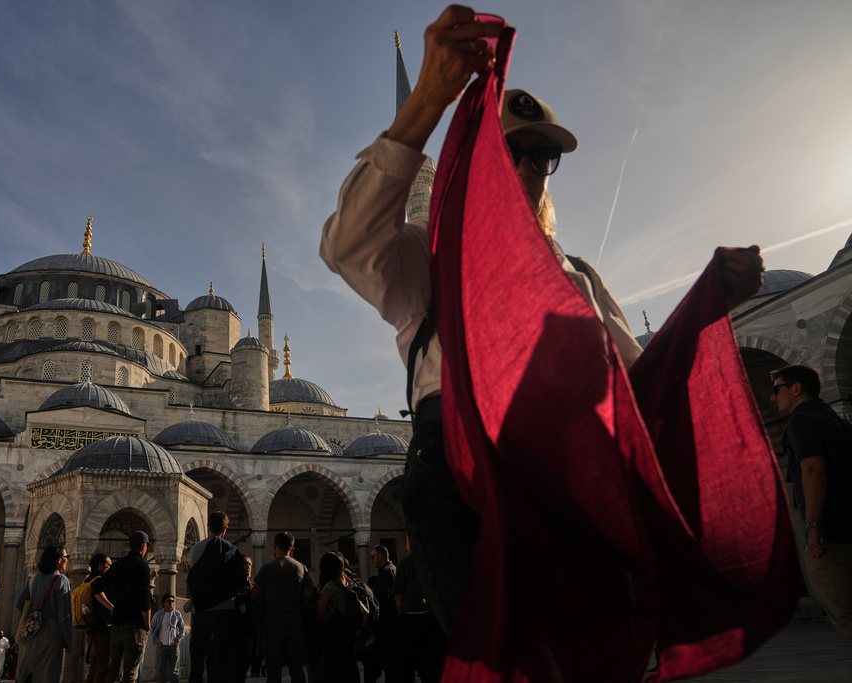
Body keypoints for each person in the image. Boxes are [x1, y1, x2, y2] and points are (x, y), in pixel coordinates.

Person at [320, 4, 764, 643]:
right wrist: (428, 101)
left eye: (542, 159)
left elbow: (637, 388)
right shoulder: (433, 257)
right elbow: (347, 245)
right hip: (465, 469)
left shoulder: (576, 273)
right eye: (514, 152)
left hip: (568, 473)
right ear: (476, 157)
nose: (530, 169)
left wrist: (702, 311)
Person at [771, 364, 852, 641]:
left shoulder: (801, 421)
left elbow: (813, 470)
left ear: (796, 388)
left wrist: (813, 527)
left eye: (776, 389)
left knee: (845, 612)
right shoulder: (832, 417)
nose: (772, 397)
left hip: (830, 537)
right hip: (847, 526)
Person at [186, 511, 243, 683]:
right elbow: (239, 582)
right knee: (222, 661)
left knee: (197, 662)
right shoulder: (232, 550)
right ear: (225, 528)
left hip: (200, 611)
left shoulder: (195, 550)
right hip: (224, 610)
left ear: (208, 525)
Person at [251, 532, 315, 683]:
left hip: (272, 625)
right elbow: (309, 594)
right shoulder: (301, 567)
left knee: (273, 672)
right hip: (294, 624)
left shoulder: (267, 568)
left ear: (274, 546)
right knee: (296, 669)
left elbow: (254, 595)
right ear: (292, 549)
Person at [92, 530, 153, 683]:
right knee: (130, 673)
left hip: (117, 625)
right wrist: (147, 624)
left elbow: (96, 588)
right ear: (144, 547)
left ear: (129, 545)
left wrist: (113, 608)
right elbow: (145, 599)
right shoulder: (142, 566)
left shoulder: (118, 565)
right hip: (135, 625)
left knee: (113, 672)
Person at [14, 545, 71, 683]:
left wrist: (33, 615)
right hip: (51, 633)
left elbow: (19, 603)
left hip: (32, 631)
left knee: (28, 671)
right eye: (66, 557)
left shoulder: (33, 579)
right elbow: (64, 615)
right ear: (58, 560)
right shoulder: (61, 580)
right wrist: (68, 639)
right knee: (48, 672)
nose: (67, 560)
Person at [391, 537, 443, 683]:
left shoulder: (406, 563)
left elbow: (398, 596)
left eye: (407, 541)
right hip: (429, 618)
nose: (405, 544)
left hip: (410, 619)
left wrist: (402, 615)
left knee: (407, 663)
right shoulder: (431, 562)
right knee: (429, 663)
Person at [315, 553, 358, 683]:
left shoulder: (330, 586)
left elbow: (320, 611)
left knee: (333, 667)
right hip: (349, 630)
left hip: (334, 632)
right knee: (348, 663)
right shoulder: (347, 580)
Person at [364, 545, 397, 682]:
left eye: (373, 557)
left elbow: (380, 600)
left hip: (384, 625)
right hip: (392, 623)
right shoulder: (393, 569)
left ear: (381, 556)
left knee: (379, 664)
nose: (371, 560)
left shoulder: (385, 572)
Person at [83, 553, 113, 683]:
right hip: (102, 629)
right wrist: (114, 609)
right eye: (108, 566)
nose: (110, 569)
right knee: (103, 667)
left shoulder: (87, 580)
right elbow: (99, 595)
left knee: (93, 667)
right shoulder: (100, 581)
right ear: (101, 566)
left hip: (91, 629)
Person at [149, 593, 184, 683]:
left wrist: (179, 640)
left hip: (173, 646)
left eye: (172, 601)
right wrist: (157, 641)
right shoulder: (158, 615)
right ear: (164, 603)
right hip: (162, 646)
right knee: (161, 671)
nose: (171, 603)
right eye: (169, 601)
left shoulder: (177, 614)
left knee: (175, 671)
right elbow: (151, 630)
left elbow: (182, 628)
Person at [234, 556, 257, 683]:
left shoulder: (252, 586)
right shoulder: (233, 585)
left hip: (249, 632)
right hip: (235, 631)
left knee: (244, 667)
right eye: (244, 564)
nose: (247, 566)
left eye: (249, 564)